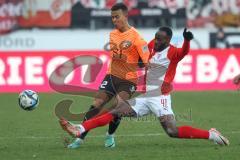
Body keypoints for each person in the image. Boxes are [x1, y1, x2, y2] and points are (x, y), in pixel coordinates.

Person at [59, 26, 230, 146]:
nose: (156, 41)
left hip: (160, 97)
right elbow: (143, 60)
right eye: (156, 37)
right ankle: (79, 129)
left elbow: (184, 52)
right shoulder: (151, 46)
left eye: (160, 39)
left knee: (172, 131)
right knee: (115, 111)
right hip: (146, 96)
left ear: (168, 40)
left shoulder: (173, 52)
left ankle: (211, 135)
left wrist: (186, 41)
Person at [65, 3, 150, 149]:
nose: (114, 20)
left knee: (117, 107)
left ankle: (110, 136)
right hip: (111, 76)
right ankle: (80, 138)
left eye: (117, 17)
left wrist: (145, 82)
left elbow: (146, 63)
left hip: (128, 80)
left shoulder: (137, 38)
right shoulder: (112, 34)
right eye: (112, 17)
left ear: (125, 15)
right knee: (96, 104)